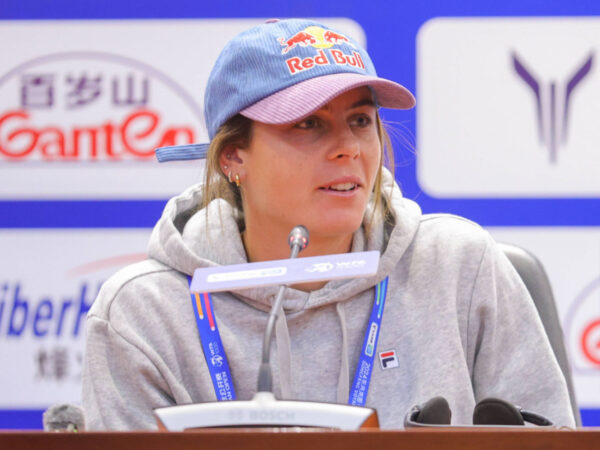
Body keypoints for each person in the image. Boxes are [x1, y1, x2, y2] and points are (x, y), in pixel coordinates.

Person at [82, 18, 575, 430]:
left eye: (360, 121)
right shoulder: (144, 312)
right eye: (308, 124)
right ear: (234, 157)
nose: (348, 148)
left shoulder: (456, 265)